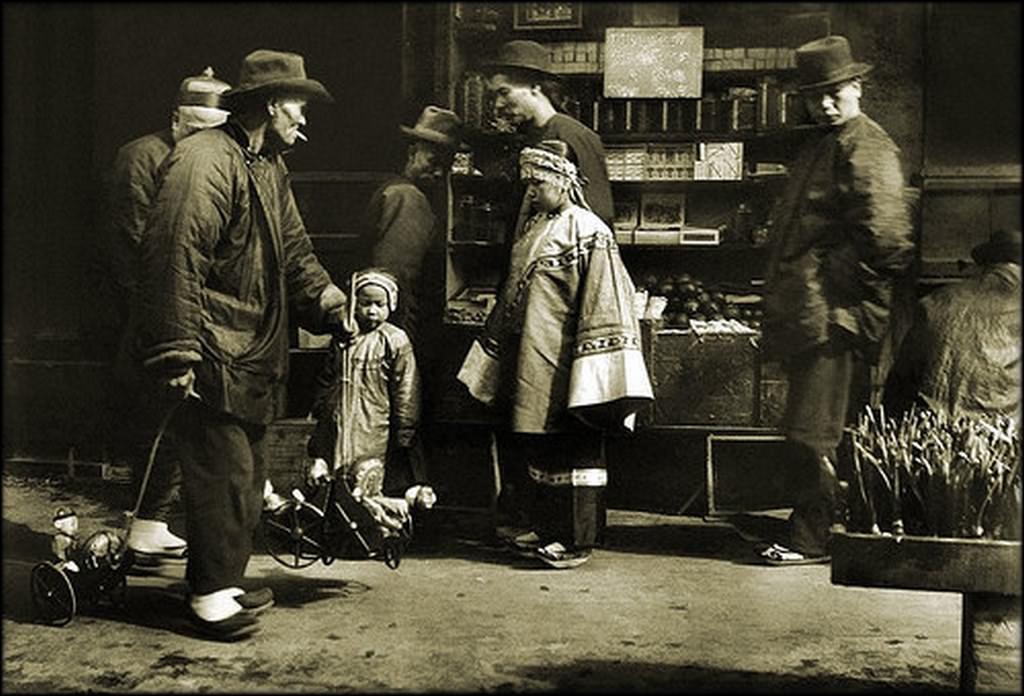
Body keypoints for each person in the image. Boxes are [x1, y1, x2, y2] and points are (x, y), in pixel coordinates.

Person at [136, 49, 347, 640]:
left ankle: (223, 580)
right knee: (222, 475)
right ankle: (207, 597)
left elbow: (296, 249)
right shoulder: (203, 161)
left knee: (246, 475)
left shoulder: (264, 164)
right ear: (274, 104)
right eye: (300, 108)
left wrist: (329, 301)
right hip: (211, 347)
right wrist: (178, 351)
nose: (304, 122)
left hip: (249, 350)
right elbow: (173, 255)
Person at [457, 140, 653, 569]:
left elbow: (604, 297)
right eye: (528, 183)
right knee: (541, 445)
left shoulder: (589, 230)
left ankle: (577, 539)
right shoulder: (536, 227)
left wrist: (596, 360)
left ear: (564, 182)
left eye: (539, 183)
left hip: (571, 359)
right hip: (533, 356)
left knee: (576, 445)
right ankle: (548, 529)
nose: (531, 191)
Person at [757, 36, 915, 565]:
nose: (824, 104)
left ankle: (812, 538)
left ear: (857, 87)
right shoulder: (825, 143)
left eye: (834, 93)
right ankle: (827, 526)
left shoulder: (865, 145)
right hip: (813, 309)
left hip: (834, 314)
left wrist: (843, 286)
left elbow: (888, 238)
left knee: (812, 432)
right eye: (814, 95)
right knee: (818, 427)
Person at [98, 67, 232, 563]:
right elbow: (133, 246)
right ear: (175, 118)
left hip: (191, 306)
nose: (200, 142)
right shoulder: (141, 157)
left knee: (183, 418)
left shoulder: (211, 160)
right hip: (150, 309)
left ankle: (152, 519)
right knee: (158, 416)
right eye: (193, 130)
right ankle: (143, 521)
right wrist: (159, 319)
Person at [302, 268, 434, 532]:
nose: (372, 311)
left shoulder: (395, 340)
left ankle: (374, 526)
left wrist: (406, 426)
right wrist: (320, 407)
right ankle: (335, 525)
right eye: (365, 304)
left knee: (368, 472)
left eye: (379, 304)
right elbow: (328, 376)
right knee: (335, 469)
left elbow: (406, 386)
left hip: (374, 421)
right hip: (339, 418)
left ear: (391, 305)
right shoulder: (344, 337)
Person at [883, 228, 1021, 421]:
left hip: (930, 430)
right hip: (996, 435)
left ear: (988, 262)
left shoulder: (936, 300)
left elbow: (898, 383)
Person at [480, 40, 614, 227]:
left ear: (535, 87)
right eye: (494, 96)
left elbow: (599, 217)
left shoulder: (574, 135)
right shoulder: (529, 137)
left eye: (504, 92)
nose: (498, 105)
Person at [366, 106, 465, 350]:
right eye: (433, 161)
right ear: (413, 153)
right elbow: (396, 282)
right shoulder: (407, 198)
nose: (440, 172)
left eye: (447, 165)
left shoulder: (397, 190)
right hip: (403, 334)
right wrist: (400, 348)